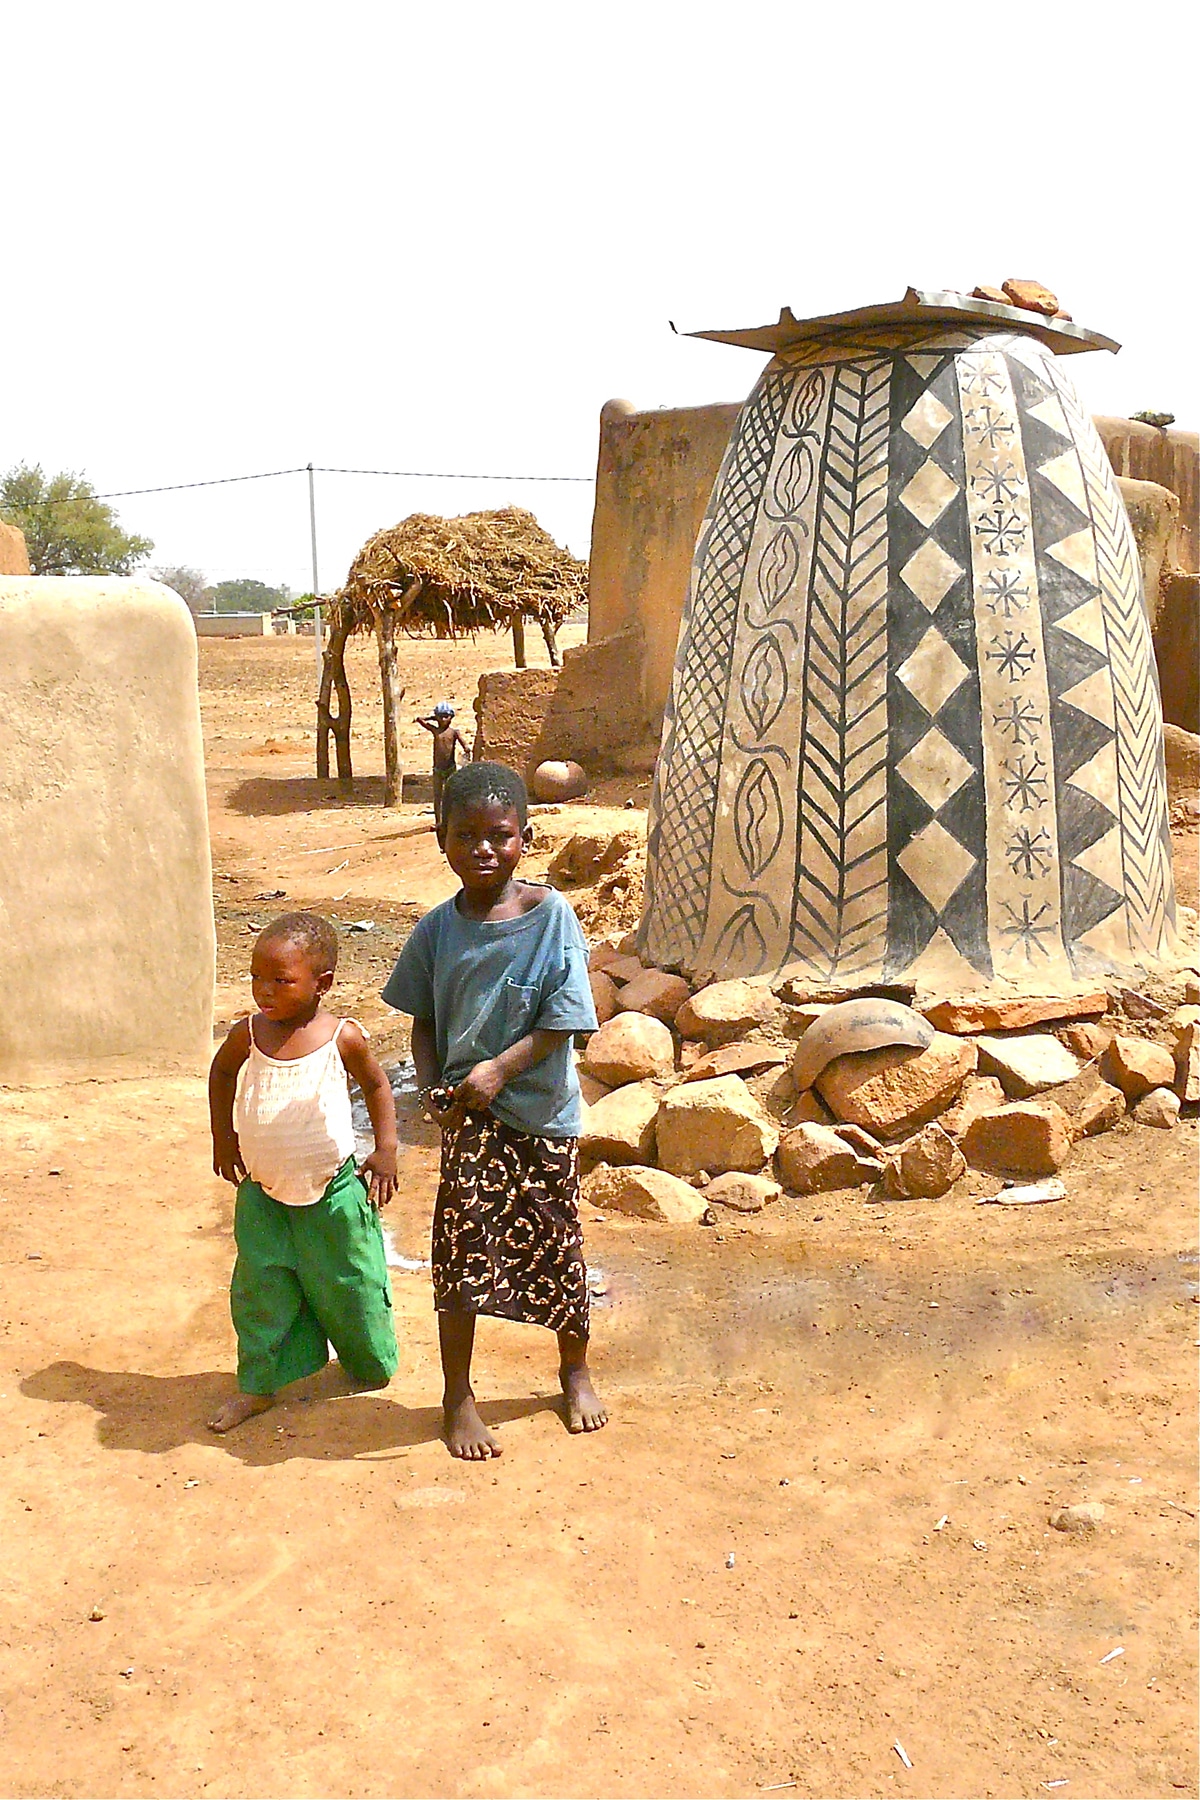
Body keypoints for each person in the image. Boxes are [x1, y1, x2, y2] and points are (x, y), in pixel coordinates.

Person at [381, 761, 607, 1459]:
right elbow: (423, 1021)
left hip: (542, 1117)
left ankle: (574, 1371)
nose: (483, 849)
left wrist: (499, 1070)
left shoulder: (552, 918)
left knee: (559, 1245)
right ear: (440, 840)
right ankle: (458, 1396)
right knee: (460, 1256)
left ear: (525, 839)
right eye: (465, 835)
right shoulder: (436, 931)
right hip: (469, 1123)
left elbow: (565, 1020)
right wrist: (432, 1089)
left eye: (499, 835)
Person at [207, 911, 400, 1432]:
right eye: (256, 977)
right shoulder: (248, 1034)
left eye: (281, 980)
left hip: (333, 1194)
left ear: (323, 983)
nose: (264, 990)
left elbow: (377, 1086)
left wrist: (385, 1149)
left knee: (351, 1282)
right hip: (262, 1193)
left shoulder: (343, 1038)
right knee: (259, 1291)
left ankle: (368, 1361)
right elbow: (221, 1073)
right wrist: (223, 1135)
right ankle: (258, 1385)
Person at [414, 702, 472, 827]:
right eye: (440, 716)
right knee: (438, 797)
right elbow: (419, 719)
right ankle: (438, 823)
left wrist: (467, 750)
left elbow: (465, 746)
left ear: (451, 717)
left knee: (452, 795)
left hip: (450, 768)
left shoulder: (454, 732)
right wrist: (432, 718)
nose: (443, 719)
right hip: (438, 770)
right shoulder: (435, 730)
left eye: (446, 716)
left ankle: (452, 821)